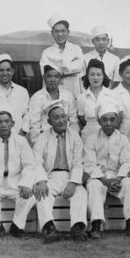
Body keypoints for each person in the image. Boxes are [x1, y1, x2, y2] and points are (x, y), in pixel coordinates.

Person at [31, 101, 88, 243]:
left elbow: (78, 162)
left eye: (64, 117)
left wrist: (73, 182)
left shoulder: (74, 136)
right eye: (57, 118)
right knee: (42, 192)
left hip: (69, 175)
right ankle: (49, 228)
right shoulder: (42, 137)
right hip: (50, 176)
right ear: (49, 121)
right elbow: (36, 162)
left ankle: (77, 228)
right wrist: (41, 181)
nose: (61, 120)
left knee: (80, 193)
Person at [83, 103, 130, 239]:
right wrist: (104, 180)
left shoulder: (123, 138)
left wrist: (119, 178)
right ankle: (96, 225)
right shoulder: (91, 139)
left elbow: (127, 162)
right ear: (99, 121)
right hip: (99, 177)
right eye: (105, 120)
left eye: (112, 120)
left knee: (128, 183)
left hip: (117, 176)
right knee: (94, 186)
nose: (109, 123)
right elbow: (89, 163)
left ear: (116, 121)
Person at [0, 110, 38, 239]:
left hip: (16, 183)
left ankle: (17, 226)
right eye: (0, 122)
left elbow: (29, 165)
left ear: (13, 123)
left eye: (7, 121)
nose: (4, 125)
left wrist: (25, 184)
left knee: (30, 197)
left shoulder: (21, 141)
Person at [28, 63, 78, 140]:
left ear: (60, 78)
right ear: (44, 78)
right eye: (49, 76)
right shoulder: (37, 97)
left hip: (66, 137)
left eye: (56, 76)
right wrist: (38, 143)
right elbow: (34, 124)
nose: (53, 80)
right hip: (45, 138)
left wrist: (73, 139)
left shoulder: (68, 95)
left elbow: (73, 120)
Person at [77, 59, 122, 144]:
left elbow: (119, 116)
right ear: (87, 76)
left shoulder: (113, 94)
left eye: (98, 74)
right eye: (92, 74)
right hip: (88, 138)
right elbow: (82, 119)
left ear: (103, 76)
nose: (95, 78)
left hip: (109, 136)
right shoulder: (81, 98)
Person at [40, 14, 85, 97]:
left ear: (68, 32)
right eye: (56, 31)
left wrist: (58, 70)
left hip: (73, 93)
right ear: (52, 33)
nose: (60, 34)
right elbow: (45, 73)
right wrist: (71, 70)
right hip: (54, 94)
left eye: (63, 31)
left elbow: (80, 67)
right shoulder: (46, 53)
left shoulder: (76, 49)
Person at [83, 24, 120, 88]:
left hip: (109, 94)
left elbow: (117, 81)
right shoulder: (85, 58)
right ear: (93, 41)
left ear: (108, 41)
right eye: (97, 40)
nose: (101, 43)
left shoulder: (115, 59)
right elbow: (83, 80)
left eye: (104, 39)